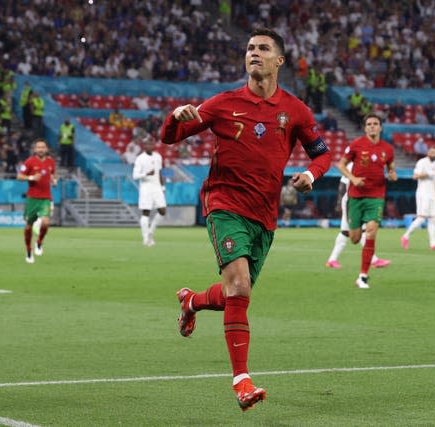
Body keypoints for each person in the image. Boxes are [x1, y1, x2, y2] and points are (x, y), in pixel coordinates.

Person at [159, 28, 331, 411]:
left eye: (263, 48)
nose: (254, 52)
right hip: (224, 205)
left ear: (279, 61)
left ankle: (192, 302)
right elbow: (171, 137)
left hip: (265, 215)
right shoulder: (222, 103)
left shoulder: (296, 110)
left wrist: (312, 175)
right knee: (238, 288)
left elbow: (322, 154)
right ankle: (242, 382)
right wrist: (175, 118)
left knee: (237, 293)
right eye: (250, 47)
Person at [337, 113, 397, 289]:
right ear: (365, 128)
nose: (372, 126)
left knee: (371, 232)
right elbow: (340, 165)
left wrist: (392, 175)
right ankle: (360, 229)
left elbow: (391, 168)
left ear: (380, 127)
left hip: (376, 197)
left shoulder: (388, 149)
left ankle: (363, 276)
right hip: (355, 196)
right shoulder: (356, 144)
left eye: (375, 123)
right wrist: (353, 179)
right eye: (369, 124)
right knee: (355, 238)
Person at [325, 163, 391, 269]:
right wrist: (339, 202)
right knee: (359, 230)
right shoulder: (353, 164)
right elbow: (343, 184)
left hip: (362, 200)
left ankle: (332, 260)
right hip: (352, 201)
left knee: (347, 232)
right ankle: (374, 260)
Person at [16, 139, 57, 264]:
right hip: (32, 199)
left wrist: (54, 181)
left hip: (45, 198)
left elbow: (53, 174)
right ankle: (28, 249)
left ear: (46, 149)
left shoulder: (51, 162)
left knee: (45, 222)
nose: (41, 149)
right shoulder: (29, 162)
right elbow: (19, 176)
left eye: (43, 147)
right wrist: (31, 177)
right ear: (35, 149)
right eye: (38, 147)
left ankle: (39, 242)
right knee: (28, 226)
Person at [400, 146, 435, 251]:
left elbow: (434, 181)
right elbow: (415, 176)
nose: (434, 154)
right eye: (432, 152)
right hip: (423, 193)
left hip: (432, 194)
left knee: (433, 219)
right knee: (421, 217)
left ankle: (433, 244)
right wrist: (426, 174)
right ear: (428, 153)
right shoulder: (422, 162)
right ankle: (405, 236)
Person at [132, 137, 166, 247]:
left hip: (157, 187)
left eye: (150, 144)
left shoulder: (158, 157)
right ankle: (145, 238)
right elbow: (135, 175)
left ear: (153, 145)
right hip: (146, 187)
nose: (149, 146)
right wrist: (146, 173)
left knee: (162, 211)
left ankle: (150, 232)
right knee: (146, 212)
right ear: (143, 146)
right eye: (146, 144)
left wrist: (163, 187)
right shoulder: (140, 158)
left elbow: (159, 173)